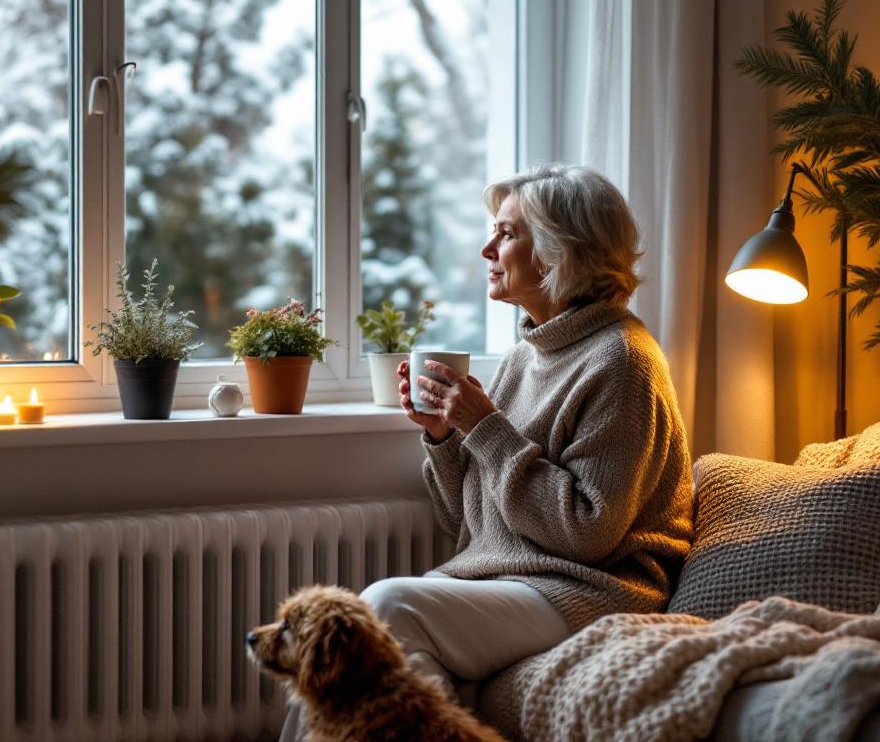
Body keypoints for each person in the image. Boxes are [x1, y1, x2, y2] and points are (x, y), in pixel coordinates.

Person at [278, 164, 693, 740]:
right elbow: (466, 524)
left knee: (385, 605)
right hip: (512, 581)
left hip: (592, 589)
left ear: (557, 251)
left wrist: (487, 428)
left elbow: (588, 534)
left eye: (506, 233)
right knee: (391, 666)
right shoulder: (527, 356)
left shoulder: (623, 362)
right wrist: (448, 437)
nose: (486, 248)